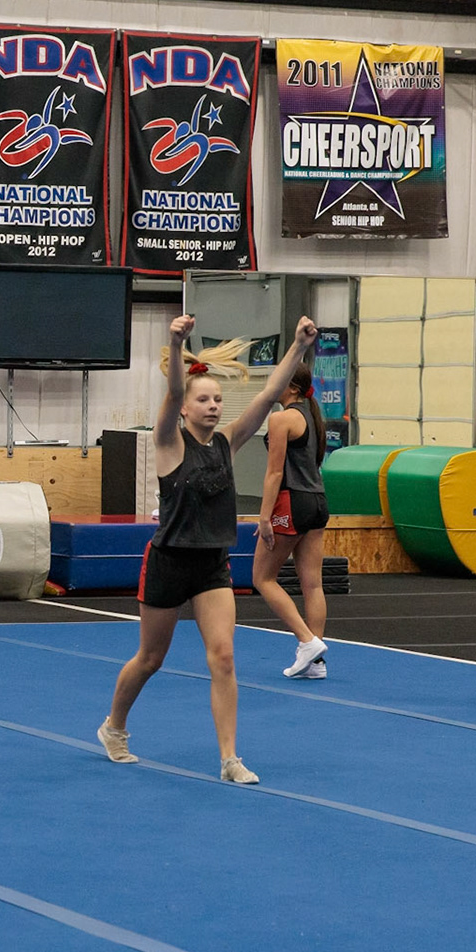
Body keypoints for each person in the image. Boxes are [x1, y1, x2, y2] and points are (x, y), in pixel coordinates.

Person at [96, 314, 317, 785]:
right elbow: (174, 390)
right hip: (169, 562)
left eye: (217, 399)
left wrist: (298, 347)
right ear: (184, 408)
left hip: (212, 565)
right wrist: (176, 343)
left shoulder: (226, 442)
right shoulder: (168, 443)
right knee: (150, 659)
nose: (213, 406)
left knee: (224, 657)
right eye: (204, 400)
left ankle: (230, 758)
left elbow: (267, 396)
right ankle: (114, 726)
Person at [252, 365, 331, 679]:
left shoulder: (281, 419)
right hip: (317, 501)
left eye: (278, 380)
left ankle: (307, 641)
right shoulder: (312, 417)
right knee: (313, 584)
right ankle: (316, 663)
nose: (272, 385)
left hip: (292, 500)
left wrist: (264, 516)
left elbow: (274, 473)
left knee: (262, 578)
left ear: (293, 388)